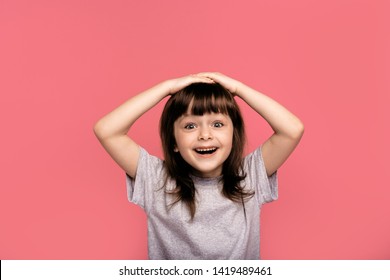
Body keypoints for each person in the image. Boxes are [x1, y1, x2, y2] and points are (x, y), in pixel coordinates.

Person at [93, 72, 304, 259]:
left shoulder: (250, 175)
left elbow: (292, 129)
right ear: (174, 142)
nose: (205, 135)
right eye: (190, 126)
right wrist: (167, 88)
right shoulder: (156, 179)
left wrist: (239, 89)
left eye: (218, 124)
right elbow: (107, 130)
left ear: (234, 134)